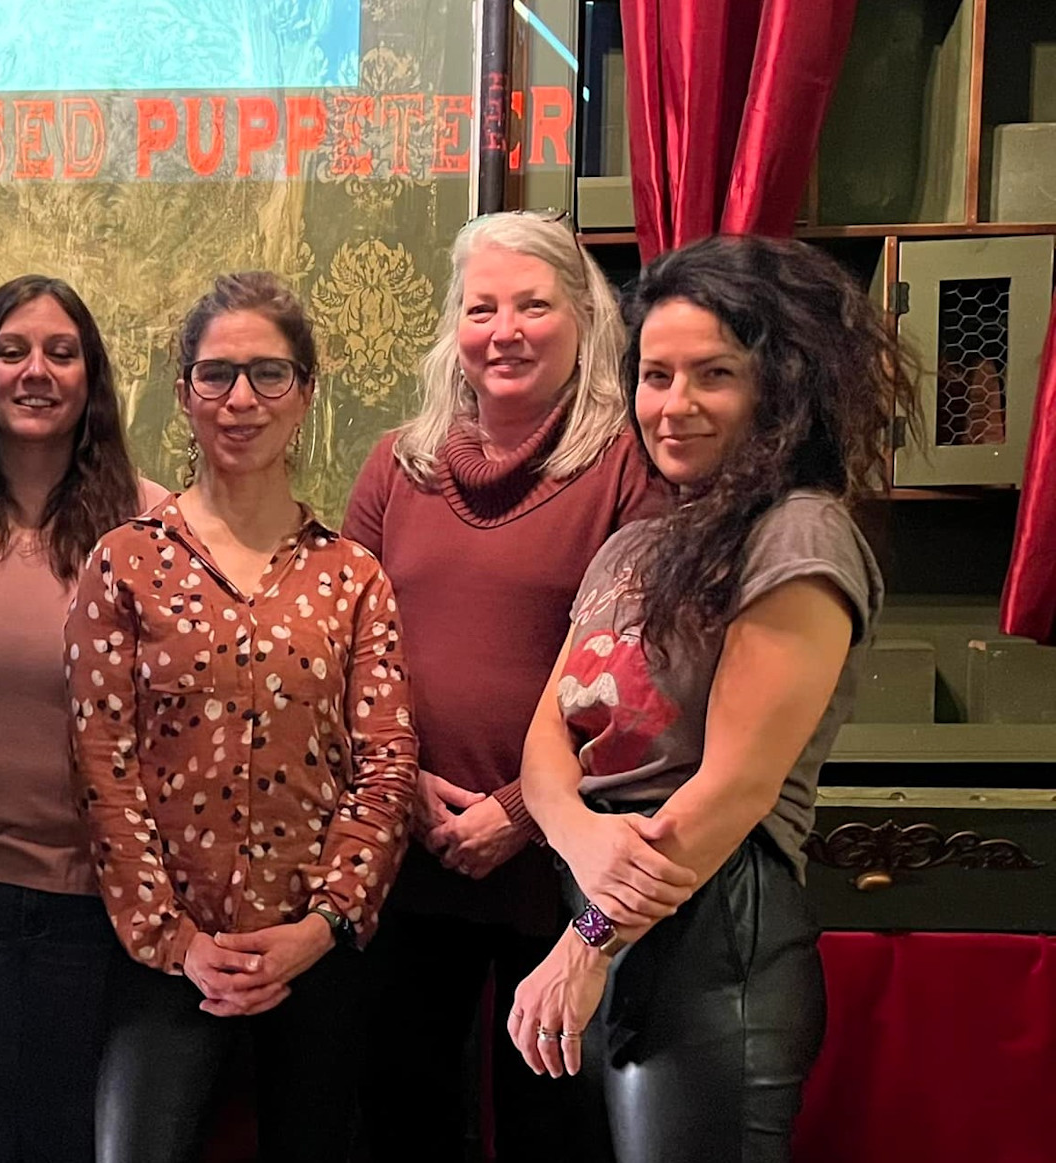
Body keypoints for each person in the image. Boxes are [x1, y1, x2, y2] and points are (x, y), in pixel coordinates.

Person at [508, 234, 915, 1162]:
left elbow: (732, 789)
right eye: (656, 376)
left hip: (713, 937)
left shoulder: (800, 533)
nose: (675, 404)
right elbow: (545, 743)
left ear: (779, 386)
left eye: (714, 374)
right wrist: (582, 839)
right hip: (611, 919)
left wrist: (585, 938)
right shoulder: (633, 546)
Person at [66, 272, 419, 1163]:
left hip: (317, 954)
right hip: (164, 957)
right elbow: (103, 767)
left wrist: (322, 924)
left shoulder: (353, 578)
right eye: (216, 374)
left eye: (268, 374)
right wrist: (175, 938)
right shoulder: (125, 564)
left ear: (305, 391)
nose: (240, 399)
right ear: (185, 391)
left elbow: (385, 764)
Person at [343, 211, 658, 1161]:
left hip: (563, 876)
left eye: (533, 306)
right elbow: (344, 649)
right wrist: (400, 787)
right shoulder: (396, 465)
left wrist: (520, 811)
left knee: (553, 1133)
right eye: (482, 308)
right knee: (399, 1123)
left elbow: (643, 678)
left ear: (584, 320)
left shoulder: (629, 468)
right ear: (456, 325)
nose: (505, 331)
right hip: (409, 854)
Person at [0, 276, 166, 1162]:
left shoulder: (151, 525)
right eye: (12, 351)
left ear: (92, 378)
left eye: (62, 353)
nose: (36, 371)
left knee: (68, 1134)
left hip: (102, 900)